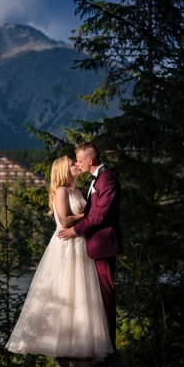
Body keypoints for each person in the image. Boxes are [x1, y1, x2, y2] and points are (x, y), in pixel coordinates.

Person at [6, 156, 113, 360]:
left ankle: (80, 341)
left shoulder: (77, 191)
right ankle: (63, 341)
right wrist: (88, 215)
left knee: (81, 291)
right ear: (64, 169)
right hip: (66, 243)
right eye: (72, 163)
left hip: (79, 243)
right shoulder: (61, 191)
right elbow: (64, 221)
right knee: (66, 288)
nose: (76, 165)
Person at [58, 142, 122, 346]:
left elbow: (100, 216)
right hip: (93, 245)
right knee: (97, 294)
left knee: (106, 293)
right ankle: (98, 339)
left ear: (90, 161)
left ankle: (108, 342)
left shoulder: (107, 179)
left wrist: (74, 230)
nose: (77, 164)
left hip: (103, 246)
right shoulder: (96, 180)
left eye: (79, 160)